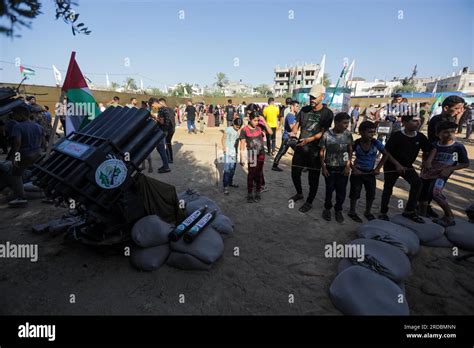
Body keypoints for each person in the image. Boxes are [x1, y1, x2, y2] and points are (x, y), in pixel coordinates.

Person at [289, 84, 334, 213]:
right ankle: (299, 193)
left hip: (314, 150)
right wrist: (293, 132)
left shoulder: (327, 114)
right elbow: (297, 125)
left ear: (322, 97)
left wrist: (309, 139)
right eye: (310, 97)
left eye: (314, 97)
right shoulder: (304, 110)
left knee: (313, 178)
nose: (312, 99)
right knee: (294, 173)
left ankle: (309, 201)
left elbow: (323, 133)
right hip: (300, 147)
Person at [379, 115, 430, 222]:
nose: (417, 123)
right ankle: (383, 212)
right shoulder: (396, 136)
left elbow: (429, 150)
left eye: (419, 121)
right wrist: (397, 165)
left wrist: (426, 161)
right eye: (414, 121)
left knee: (417, 184)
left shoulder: (420, 137)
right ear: (405, 123)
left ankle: (409, 211)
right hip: (391, 165)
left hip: (407, 166)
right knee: (388, 188)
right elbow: (387, 152)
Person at [419, 121, 469, 226]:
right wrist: (425, 162)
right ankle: (422, 217)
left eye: (452, 131)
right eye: (446, 132)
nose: (450, 134)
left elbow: (465, 163)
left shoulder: (458, 147)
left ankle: (449, 216)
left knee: (436, 194)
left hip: (441, 176)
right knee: (423, 195)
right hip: (427, 174)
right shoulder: (433, 145)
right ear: (438, 134)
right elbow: (426, 155)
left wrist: (450, 169)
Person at [0, 105, 44, 207]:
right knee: (36, 173)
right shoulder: (37, 126)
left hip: (24, 154)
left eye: (15, 115)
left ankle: (21, 197)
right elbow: (43, 142)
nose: (14, 117)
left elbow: (17, 143)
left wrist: (15, 157)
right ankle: (41, 190)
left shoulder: (18, 126)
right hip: (37, 153)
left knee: (16, 174)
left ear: (21, 115)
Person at [348, 121, 391, 222]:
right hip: (357, 173)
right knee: (355, 193)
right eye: (369, 132)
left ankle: (368, 212)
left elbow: (386, 154)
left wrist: (378, 168)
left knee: (371, 193)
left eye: (373, 132)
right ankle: (352, 211)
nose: (372, 134)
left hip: (370, 173)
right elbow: (347, 157)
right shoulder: (356, 143)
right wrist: (353, 169)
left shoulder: (376, 143)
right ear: (361, 132)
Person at [320, 112, 353, 223]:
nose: (346, 125)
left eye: (347, 123)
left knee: (341, 191)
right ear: (336, 123)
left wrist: (348, 165)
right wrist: (323, 168)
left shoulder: (348, 134)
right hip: (330, 167)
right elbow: (322, 151)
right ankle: (327, 209)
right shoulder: (327, 135)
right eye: (344, 123)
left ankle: (338, 210)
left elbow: (349, 150)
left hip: (343, 168)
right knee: (329, 190)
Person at [239, 111, 272, 203]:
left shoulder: (260, 127)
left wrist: (264, 121)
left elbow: (270, 132)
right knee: (251, 174)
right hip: (252, 154)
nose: (256, 122)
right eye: (254, 120)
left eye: (257, 120)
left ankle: (258, 192)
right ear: (250, 119)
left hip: (261, 154)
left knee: (259, 173)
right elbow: (242, 144)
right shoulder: (244, 130)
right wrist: (241, 157)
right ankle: (250, 193)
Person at [272, 100, 299, 171]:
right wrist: (299, 123)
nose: (297, 108)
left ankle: (299, 166)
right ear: (292, 107)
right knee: (282, 152)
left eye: (298, 106)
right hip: (287, 138)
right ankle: (274, 166)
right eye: (296, 106)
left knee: (297, 151)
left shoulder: (294, 115)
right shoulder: (290, 116)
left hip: (291, 138)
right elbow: (292, 128)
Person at [149, 98, 171, 173]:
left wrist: (153, 117)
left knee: (161, 149)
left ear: (155, 103)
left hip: (161, 131)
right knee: (159, 148)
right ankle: (165, 165)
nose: (153, 107)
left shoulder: (161, 109)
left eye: (152, 105)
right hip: (165, 131)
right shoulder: (165, 108)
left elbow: (161, 122)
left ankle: (166, 167)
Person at [222, 118, 243, 195]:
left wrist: (237, 152)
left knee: (232, 169)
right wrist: (224, 147)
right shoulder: (228, 129)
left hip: (234, 152)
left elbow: (237, 142)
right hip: (228, 151)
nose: (238, 128)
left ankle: (230, 182)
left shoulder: (238, 131)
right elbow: (223, 139)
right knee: (227, 169)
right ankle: (225, 186)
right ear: (233, 123)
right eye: (237, 126)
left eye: (239, 127)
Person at [158, 98, 176, 164]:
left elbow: (162, 121)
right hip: (172, 129)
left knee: (166, 144)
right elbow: (174, 119)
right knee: (168, 143)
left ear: (162, 103)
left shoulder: (162, 110)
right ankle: (170, 158)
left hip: (167, 129)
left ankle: (169, 158)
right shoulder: (171, 109)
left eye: (159, 103)